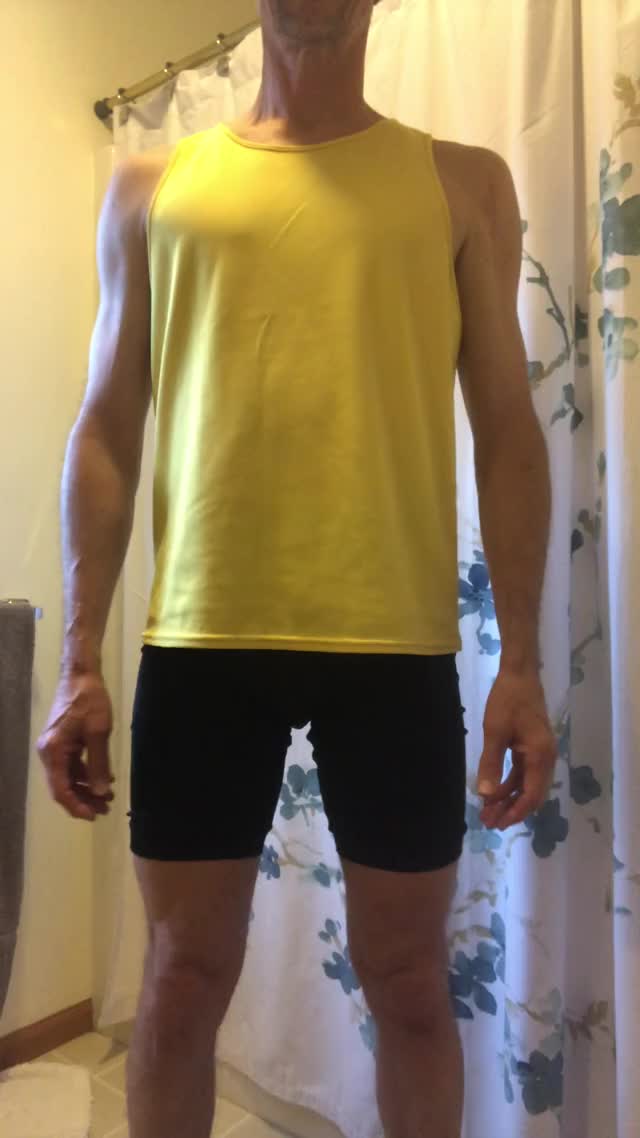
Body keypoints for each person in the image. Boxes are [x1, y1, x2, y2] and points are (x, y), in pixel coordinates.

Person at [37, 2, 558, 1136]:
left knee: (410, 984)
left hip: (395, 648)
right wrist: (79, 657)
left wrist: (519, 662)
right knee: (180, 979)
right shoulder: (149, 189)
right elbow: (107, 428)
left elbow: (509, 429)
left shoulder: (462, 184)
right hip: (202, 642)